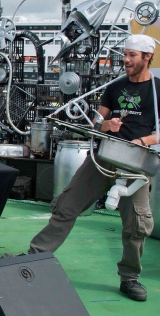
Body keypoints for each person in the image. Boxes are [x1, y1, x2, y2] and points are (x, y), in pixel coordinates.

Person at [25, 34, 157, 302]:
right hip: (104, 155)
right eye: (125, 54)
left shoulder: (158, 90)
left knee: (136, 224)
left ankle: (129, 278)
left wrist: (142, 140)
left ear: (147, 57)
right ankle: (33, 259)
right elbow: (95, 122)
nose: (126, 60)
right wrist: (104, 126)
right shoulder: (115, 87)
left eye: (132, 55)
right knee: (66, 205)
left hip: (136, 165)